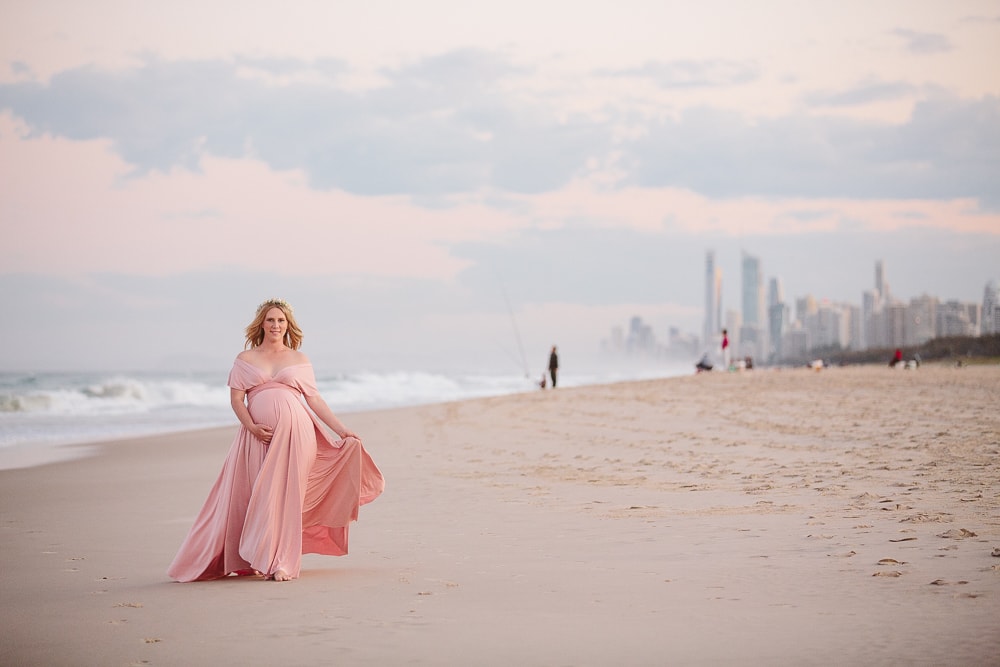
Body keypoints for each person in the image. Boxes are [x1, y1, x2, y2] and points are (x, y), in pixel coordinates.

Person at [167, 299, 384, 582]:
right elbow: (236, 400)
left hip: (297, 435)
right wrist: (252, 427)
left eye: (281, 321)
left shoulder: (299, 359)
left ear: (288, 325)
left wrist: (342, 431)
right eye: (270, 320)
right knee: (255, 496)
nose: (276, 325)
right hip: (258, 438)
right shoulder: (245, 359)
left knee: (285, 498)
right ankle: (254, 557)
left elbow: (314, 400)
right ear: (262, 324)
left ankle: (281, 562)